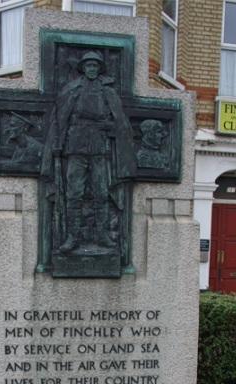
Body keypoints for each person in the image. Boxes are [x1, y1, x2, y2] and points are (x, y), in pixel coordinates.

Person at [41, 51, 137, 253]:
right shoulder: (72, 89)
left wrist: (108, 127)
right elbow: (61, 119)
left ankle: (102, 235)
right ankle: (72, 237)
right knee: (74, 194)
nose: (92, 69)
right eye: (88, 66)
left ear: (99, 69)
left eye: (95, 66)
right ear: (83, 68)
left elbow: (118, 121)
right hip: (75, 146)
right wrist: (57, 144)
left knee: (101, 193)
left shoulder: (107, 92)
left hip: (99, 147)